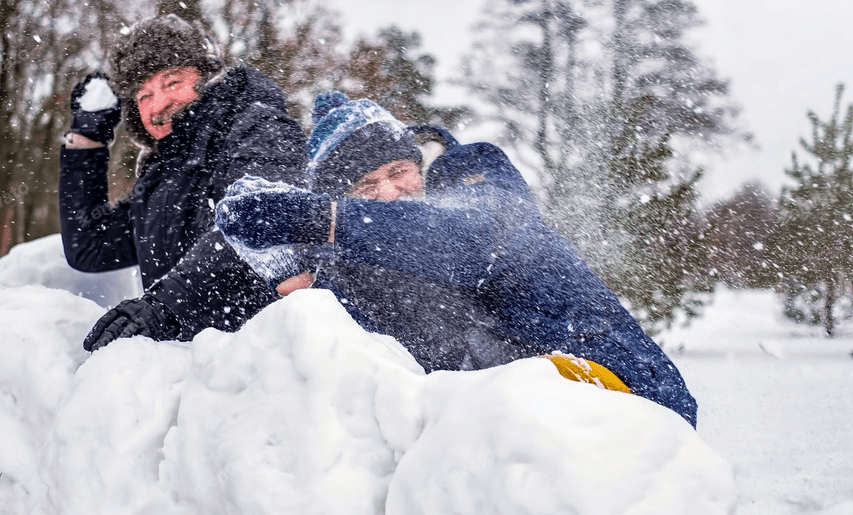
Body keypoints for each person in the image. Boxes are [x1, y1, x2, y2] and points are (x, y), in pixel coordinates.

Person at [215, 91, 698, 427]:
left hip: (626, 392)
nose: (389, 192)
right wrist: (287, 270)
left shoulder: (478, 188)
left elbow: (476, 239)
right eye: (366, 185)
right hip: (528, 441)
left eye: (399, 170)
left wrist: (322, 218)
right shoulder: (387, 266)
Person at [59, 15, 308, 351]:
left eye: (172, 82)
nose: (158, 104)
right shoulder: (162, 176)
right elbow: (91, 247)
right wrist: (87, 142)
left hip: (259, 366)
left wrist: (163, 306)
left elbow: (260, 220)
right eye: (144, 96)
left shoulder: (257, 127)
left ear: (205, 77)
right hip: (186, 374)